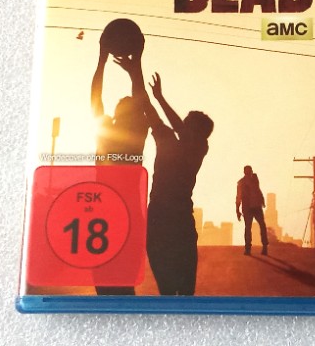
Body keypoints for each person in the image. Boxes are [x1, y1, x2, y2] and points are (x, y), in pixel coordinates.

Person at [116, 54, 213, 295]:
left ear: (196, 131)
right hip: (168, 219)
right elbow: (146, 106)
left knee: (181, 291)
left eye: (187, 122)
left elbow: (165, 117)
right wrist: (135, 73)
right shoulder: (172, 140)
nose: (182, 123)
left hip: (169, 219)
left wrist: (158, 96)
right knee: (173, 291)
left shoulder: (196, 146)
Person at [90, 42, 148, 296]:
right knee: (124, 284)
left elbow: (95, 97)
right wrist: (136, 68)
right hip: (128, 211)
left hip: (104, 211)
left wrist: (102, 60)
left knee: (105, 284)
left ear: (115, 114)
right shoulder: (137, 134)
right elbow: (140, 100)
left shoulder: (105, 132)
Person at [236, 166, 268, 256]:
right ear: (244, 172)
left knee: (261, 225)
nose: (249, 173)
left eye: (250, 172)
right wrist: (237, 210)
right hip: (248, 208)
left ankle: (264, 246)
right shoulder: (241, 183)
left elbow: (258, 190)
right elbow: (238, 197)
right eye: (247, 172)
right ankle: (248, 248)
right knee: (248, 227)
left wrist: (262, 200)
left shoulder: (254, 180)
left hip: (256, 206)